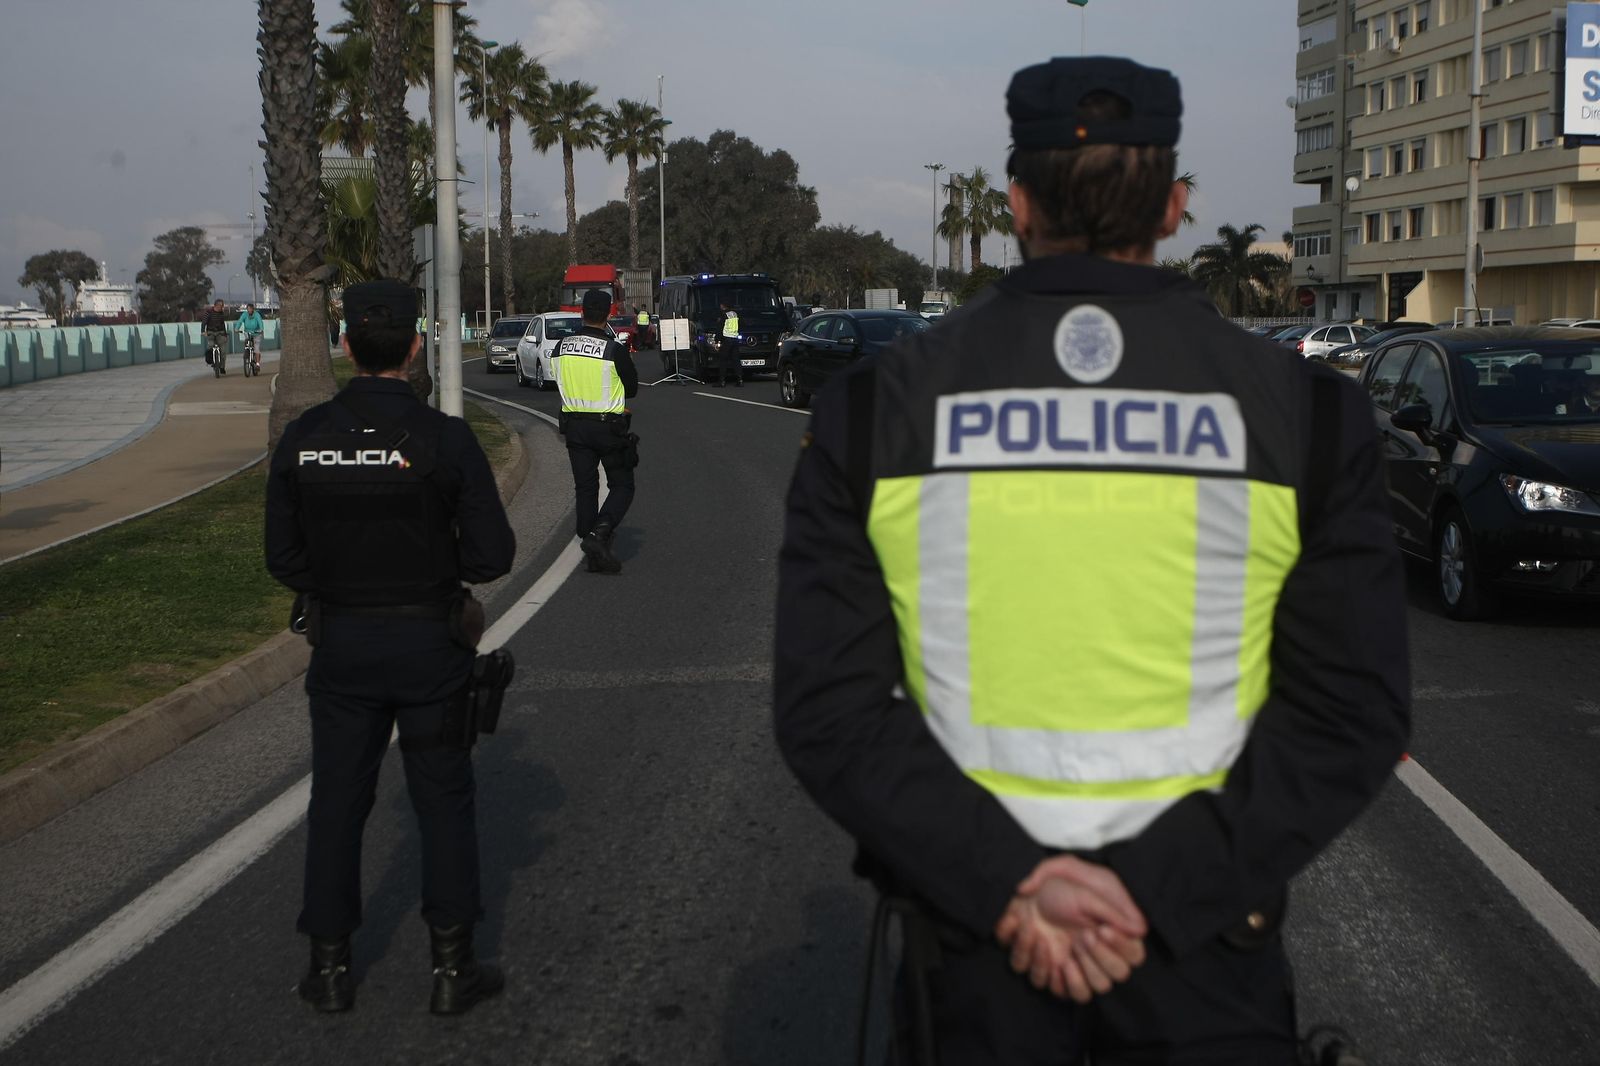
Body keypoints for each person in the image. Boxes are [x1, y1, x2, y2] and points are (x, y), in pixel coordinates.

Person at [773, 56, 1411, 1063]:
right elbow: (1349, 710)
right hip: (1203, 958)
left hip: (977, 960)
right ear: (1175, 207)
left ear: (1017, 204)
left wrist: (1013, 883)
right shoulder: (1309, 414)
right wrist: (1155, 894)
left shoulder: (872, 410)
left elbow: (829, 709)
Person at [265, 279, 516, 1016]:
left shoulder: (304, 437)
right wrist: (439, 568)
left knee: (338, 802)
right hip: (428, 644)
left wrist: (340, 584)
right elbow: (494, 552)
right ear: (414, 349)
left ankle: (331, 968)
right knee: (443, 799)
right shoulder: (445, 438)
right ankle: (451, 969)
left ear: (345, 346)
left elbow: (283, 557)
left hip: (341, 644)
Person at [553, 287, 639, 574]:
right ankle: (599, 534)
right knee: (623, 484)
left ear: (581, 312)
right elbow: (633, 389)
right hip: (608, 428)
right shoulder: (614, 349)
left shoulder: (560, 347)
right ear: (609, 314)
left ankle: (592, 549)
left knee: (586, 487)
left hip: (574, 427)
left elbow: (559, 378)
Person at [716, 300, 743, 388]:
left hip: (726, 339)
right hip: (735, 338)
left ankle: (722, 381)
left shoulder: (723, 315)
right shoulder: (735, 314)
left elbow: (720, 328)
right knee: (736, 360)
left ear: (723, 306)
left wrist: (717, 341)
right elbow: (741, 324)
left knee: (723, 360)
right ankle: (740, 380)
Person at [200, 298, 229, 373]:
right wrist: (203, 331)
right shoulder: (208, 312)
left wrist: (225, 334)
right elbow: (204, 322)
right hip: (211, 332)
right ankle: (211, 360)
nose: (222, 307)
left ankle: (222, 367)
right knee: (211, 345)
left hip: (220, 332)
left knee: (223, 350)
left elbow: (223, 324)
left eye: (222, 306)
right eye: (221, 306)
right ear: (216, 305)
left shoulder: (221, 313)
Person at [236, 302, 264, 371]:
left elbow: (260, 322)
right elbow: (240, 321)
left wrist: (261, 329)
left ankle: (257, 364)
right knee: (247, 343)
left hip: (256, 333)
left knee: (256, 348)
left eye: (250, 309)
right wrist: (237, 328)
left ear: (253, 309)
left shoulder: (257, 315)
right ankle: (247, 353)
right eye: (248, 309)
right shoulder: (244, 314)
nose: (249, 311)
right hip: (247, 332)